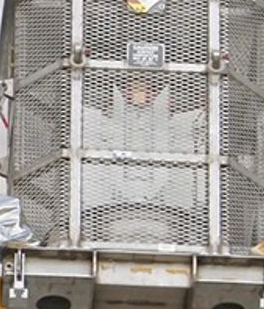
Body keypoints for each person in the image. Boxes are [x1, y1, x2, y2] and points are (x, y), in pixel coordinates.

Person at [79, 70, 208, 244]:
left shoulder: (181, 128)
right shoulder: (98, 126)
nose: (140, 94)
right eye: (131, 88)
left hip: (171, 219)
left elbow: (202, 122)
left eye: (149, 89)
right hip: (104, 216)